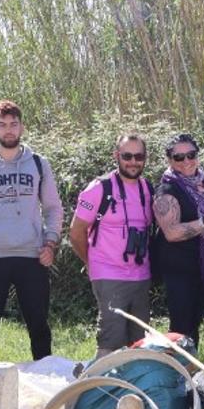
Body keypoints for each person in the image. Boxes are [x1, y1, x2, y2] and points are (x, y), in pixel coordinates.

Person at [0, 100, 63, 362]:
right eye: (3, 125)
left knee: (39, 327)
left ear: (22, 127)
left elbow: (53, 207)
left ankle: (46, 385)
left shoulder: (39, 164)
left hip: (32, 256)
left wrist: (50, 244)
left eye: (13, 124)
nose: (8, 130)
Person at [69, 133, 155, 358]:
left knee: (140, 340)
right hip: (108, 273)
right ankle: (100, 387)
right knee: (111, 336)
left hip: (140, 274)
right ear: (116, 156)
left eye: (139, 156)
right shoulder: (99, 188)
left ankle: (134, 388)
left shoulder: (148, 188)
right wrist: (91, 262)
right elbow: (76, 232)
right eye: (127, 156)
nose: (133, 162)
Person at [152, 133, 204, 346]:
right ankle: (178, 371)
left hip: (203, 266)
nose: (187, 161)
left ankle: (192, 370)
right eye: (179, 158)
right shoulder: (166, 190)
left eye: (191, 154)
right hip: (178, 269)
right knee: (181, 327)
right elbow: (171, 232)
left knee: (194, 324)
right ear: (170, 161)